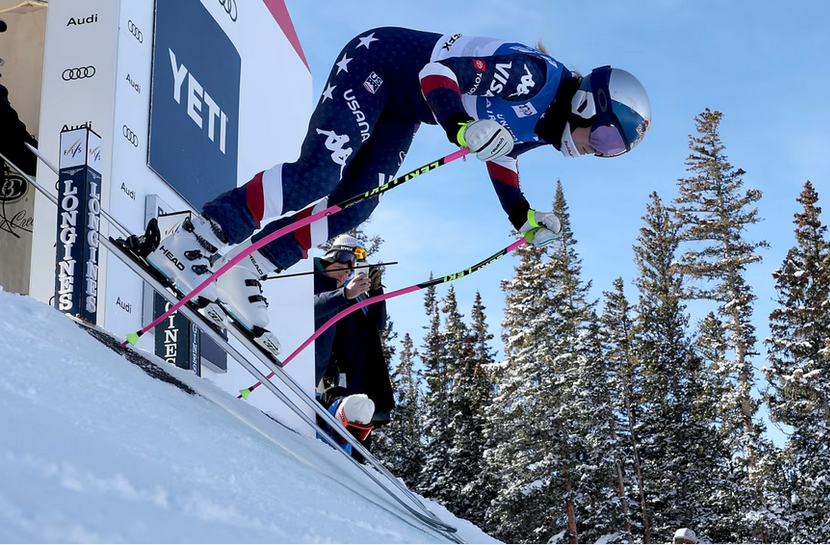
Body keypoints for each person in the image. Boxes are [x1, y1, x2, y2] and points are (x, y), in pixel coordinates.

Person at [142, 27, 652, 354]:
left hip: (404, 109)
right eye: (606, 137)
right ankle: (197, 238)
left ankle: (249, 267)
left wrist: (523, 217)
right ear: (588, 104)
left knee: (351, 211)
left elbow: (501, 156)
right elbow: (437, 73)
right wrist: (458, 126)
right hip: (379, 64)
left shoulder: (546, 126)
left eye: (613, 153)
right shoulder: (535, 79)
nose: (599, 152)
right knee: (317, 175)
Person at [312, 234, 394, 462]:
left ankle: (360, 465)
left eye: (354, 265)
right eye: (344, 264)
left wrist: (376, 292)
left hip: (365, 369)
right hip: (340, 369)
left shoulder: (357, 295)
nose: (348, 271)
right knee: (343, 418)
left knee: (363, 422)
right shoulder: (333, 288)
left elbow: (379, 324)